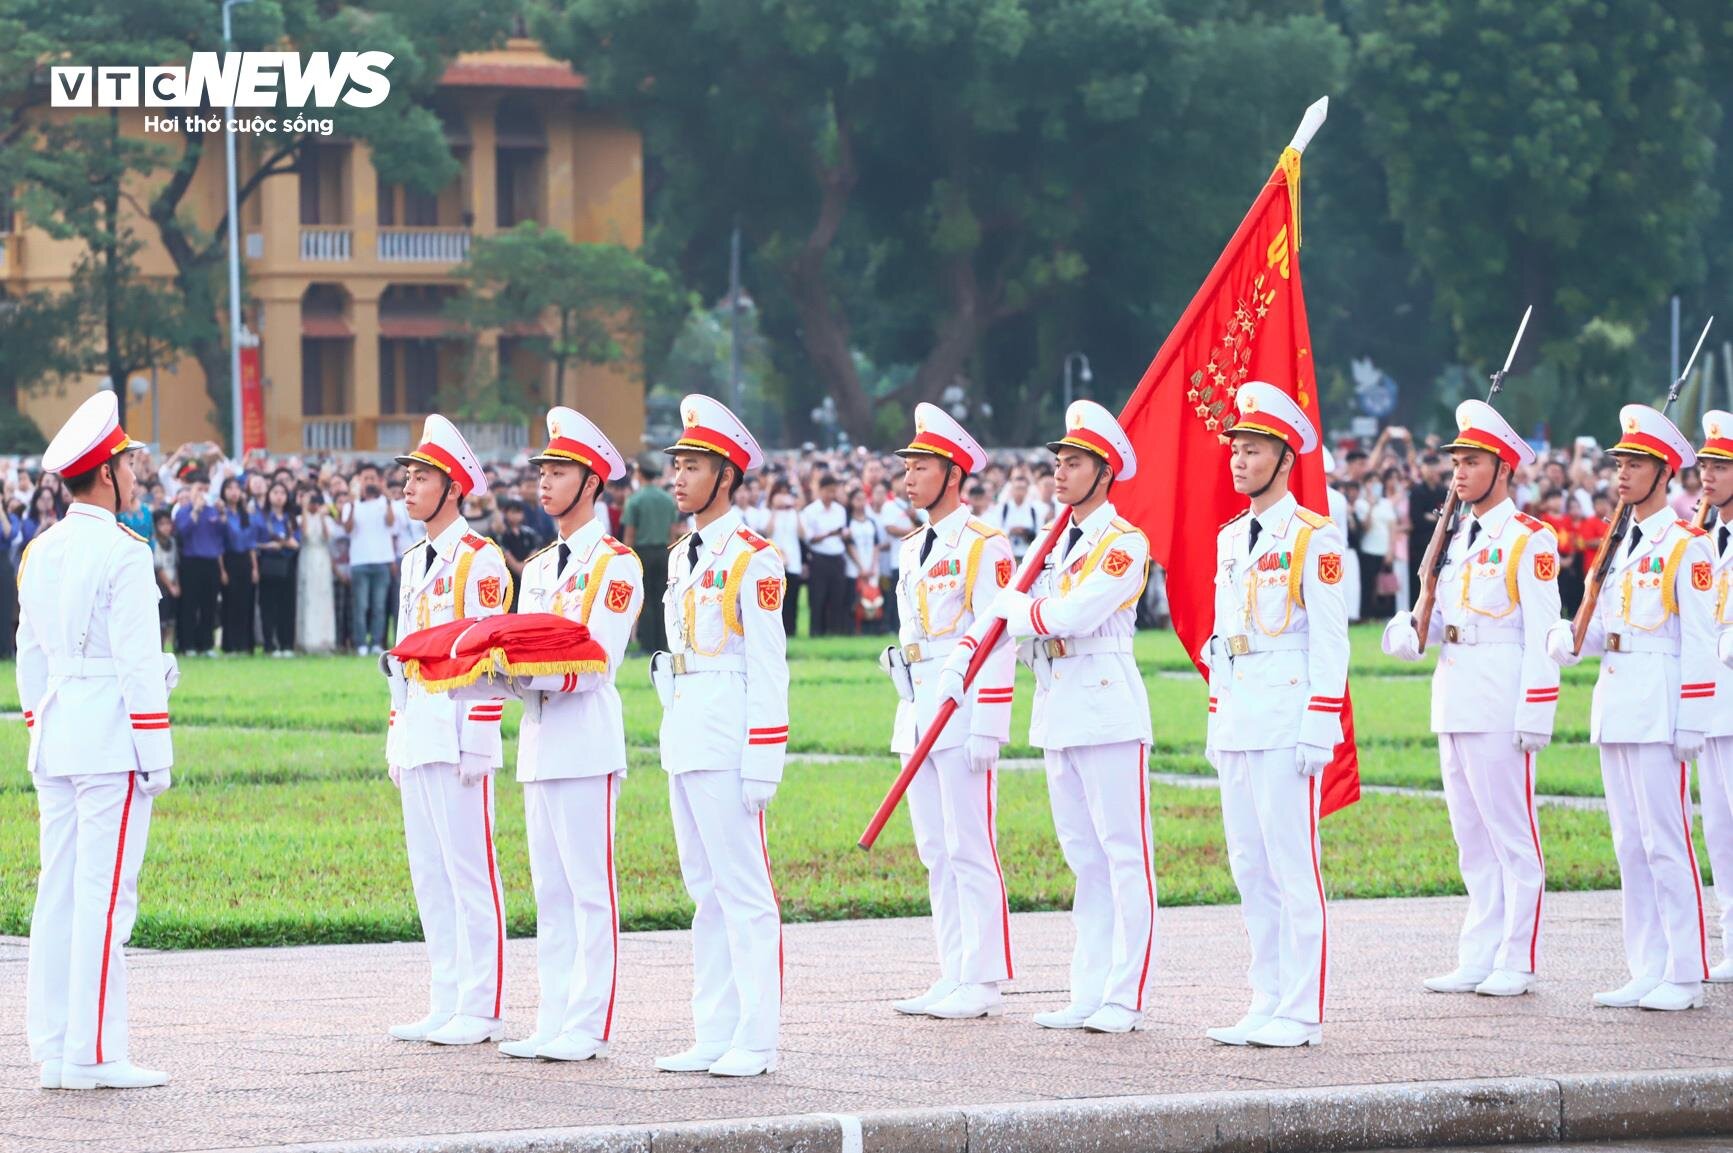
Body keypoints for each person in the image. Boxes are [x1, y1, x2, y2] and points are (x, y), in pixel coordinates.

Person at [951, 400, 1155, 1034]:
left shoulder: (1124, 542)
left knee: (1126, 855)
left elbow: (1070, 615)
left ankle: (1126, 994)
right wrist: (983, 639)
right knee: (1083, 859)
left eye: (1074, 463)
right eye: (1058, 462)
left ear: (1105, 472)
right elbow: (1016, 613)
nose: (1059, 473)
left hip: (1106, 701)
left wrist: (1015, 612)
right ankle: (1087, 989)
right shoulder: (1052, 541)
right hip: (1060, 705)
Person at [20, 391, 176, 1090]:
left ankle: (56, 1047)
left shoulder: (41, 547)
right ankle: (92, 1053)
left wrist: (38, 721)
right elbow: (140, 664)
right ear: (106, 473)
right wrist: (158, 754)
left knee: (59, 893)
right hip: (111, 733)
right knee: (106, 896)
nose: (136, 471)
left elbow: (28, 655)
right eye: (127, 460)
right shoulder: (123, 549)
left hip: (56, 729)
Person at [1383, 401, 1559, 999]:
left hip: (1500, 694)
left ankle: (1518, 957)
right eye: (1456, 459)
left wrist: (1537, 708)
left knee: (1513, 835)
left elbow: (1543, 630)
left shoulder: (1529, 539)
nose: (1458, 471)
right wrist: (1410, 629)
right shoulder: (1457, 538)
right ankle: (1478, 953)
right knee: (1471, 837)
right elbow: (1438, 622)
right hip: (1455, 694)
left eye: (1472, 460)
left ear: (1503, 468)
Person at [1546, 404, 1717, 1011]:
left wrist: (1693, 718)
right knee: (1629, 842)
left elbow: (1698, 639)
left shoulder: (1686, 546)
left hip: (1660, 703)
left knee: (1666, 840)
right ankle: (1646, 963)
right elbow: (1605, 628)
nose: (1621, 473)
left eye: (1635, 463)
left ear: (1665, 472)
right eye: (1619, 462)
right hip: (1616, 701)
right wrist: (1568, 638)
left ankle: (1686, 971)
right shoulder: (1618, 543)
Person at [489, 408, 643, 1062]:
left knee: (588, 889)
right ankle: (552, 1015)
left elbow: (596, 662)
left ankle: (588, 1022)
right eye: (543, 471)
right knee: (549, 893)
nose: (544, 483)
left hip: (583, 738)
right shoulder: (541, 565)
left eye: (559, 472)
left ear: (591, 483)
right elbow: (525, 649)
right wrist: (497, 675)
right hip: (540, 740)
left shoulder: (615, 564)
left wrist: (528, 677)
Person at [1198, 384, 1348, 1048]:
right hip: (1239, 711)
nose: (1238, 459)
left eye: (1252, 449)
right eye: (1235, 448)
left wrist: (1321, 718)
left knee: (1292, 862)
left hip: (1288, 708)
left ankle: (1302, 1007)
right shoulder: (1231, 537)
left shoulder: (1313, 536)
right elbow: (1220, 638)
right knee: (1247, 861)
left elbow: (1329, 637)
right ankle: (1265, 992)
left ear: (1284, 458)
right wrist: (1214, 716)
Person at [649, 394, 788, 1078]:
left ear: (727, 476)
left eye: (693, 464)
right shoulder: (683, 556)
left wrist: (765, 752)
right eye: (675, 463)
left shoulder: (754, 557)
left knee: (743, 889)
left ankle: (756, 1036)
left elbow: (768, 663)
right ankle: (714, 1028)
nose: (677, 476)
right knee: (704, 888)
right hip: (687, 724)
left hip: (730, 726)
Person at [879, 404, 1015, 1020]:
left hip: (960, 707)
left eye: (922, 466)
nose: (909, 477)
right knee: (935, 846)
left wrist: (989, 719)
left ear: (954, 474)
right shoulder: (913, 548)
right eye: (907, 466)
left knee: (969, 844)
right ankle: (953, 968)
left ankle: (983, 979)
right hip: (917, 704)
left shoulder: (985, 544)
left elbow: (999, 634)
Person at [380, 417, 513, 1046]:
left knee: (469, 869)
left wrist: (481, 735)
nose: (408, 488)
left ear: (453, 488)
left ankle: (481, 1005)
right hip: (419, 725)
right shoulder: (413, 562)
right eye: (407, 477)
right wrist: (395, 728)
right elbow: (404, 653)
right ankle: (446, 995)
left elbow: (491, 657)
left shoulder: (479, 559)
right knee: (429, 870)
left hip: (460, 727)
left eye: (422, 478)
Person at [1691, 411, 1733, 983]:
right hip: (1708, 701)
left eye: (1720, 466)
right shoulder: (1701, 540)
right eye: (1703, 465)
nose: (1707, 475)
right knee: (1719, 828)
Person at [623, 456, 679, 651]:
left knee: (644, 600)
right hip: (664, 552)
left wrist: (625, 561)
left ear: (639, 473)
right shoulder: (667, 499)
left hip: (642, 554)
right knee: (663, 599)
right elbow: (673, 532)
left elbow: (630, 534)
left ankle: (647, 645)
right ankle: (663, 643)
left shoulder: (635, 500)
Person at [344, 462, 397, 656]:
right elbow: (348, 529)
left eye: (373, 478)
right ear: (359, 481)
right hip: (359, 562)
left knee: (379, 606)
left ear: (379, 481)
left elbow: (391, 523)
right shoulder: (352, 504)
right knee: (361, 606)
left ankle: (376, 642)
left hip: (382, 561)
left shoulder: (385, 503)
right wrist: (350, 504)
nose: (369, 482)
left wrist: (387, 497)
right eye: (365, 478)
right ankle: (360, 643)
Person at [172, 473, 224, 656]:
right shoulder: (183, 511)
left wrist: (222, 513)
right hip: (191, 561)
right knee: (189, 604)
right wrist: (195, 511)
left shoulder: (213, 511)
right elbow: (182, 533)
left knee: (209, 605)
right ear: (191, 491)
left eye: (205, 490)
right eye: (199, 489)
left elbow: (221, 536)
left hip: (210, 562)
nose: (202, 493)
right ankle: (188, 644)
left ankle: (207, 645)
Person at [801, 474, 850, 636]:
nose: (831, 495)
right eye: (828, 491)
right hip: (819, 558)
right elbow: (809, 538)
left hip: (837, 557)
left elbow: (842, 534)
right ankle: (816, 631)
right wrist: (829, 533)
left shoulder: (840, 510)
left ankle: (835, 632)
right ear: (821, 490)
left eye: (834, 491)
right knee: (817, 597)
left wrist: (842, 534)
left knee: (837, 597)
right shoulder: (810, 511)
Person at [256, 482, 300, 656]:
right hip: (268, 564)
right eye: (275, 492)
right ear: (269, 495)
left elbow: (297, 542)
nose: (279, 496)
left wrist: (287, 543)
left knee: (287, 607)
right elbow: (254, 542)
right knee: (268, 607)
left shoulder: (291, 518)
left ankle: (286, 645)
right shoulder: (262, 518)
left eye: (282, 492)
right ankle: (269, 645)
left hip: (287, 564)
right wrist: (269, 545)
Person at [216, 478, 257, 654]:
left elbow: (251, 544)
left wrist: (255, 567)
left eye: (236, 488)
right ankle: (230, 644)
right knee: (230, 603)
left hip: (245, 561)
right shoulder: (221, 514)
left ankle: (246, 644)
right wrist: (222, 569)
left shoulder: (245, 515)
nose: (234, 492)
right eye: (229, 488)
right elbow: (218, 544)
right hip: (228, 559)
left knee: (246, 602)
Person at [297, 491, 338, 654]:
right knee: (306, 596)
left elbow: (328, 536)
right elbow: (305, 534)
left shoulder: (327, 520)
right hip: (307, 556)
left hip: (322, 557)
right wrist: (304, 510)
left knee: (323, 596)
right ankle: (306, 640)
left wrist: (322, 516)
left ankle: (324, 640)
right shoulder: (302, 519)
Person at [766, 479, 805, 637]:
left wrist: (795, 509)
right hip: (774, 561)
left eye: (786, 493)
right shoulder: (767, 512)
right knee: (775, 599)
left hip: (793, 561)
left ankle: (791, 630)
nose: (783, 497)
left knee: (792, 598)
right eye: (779, 493)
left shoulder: (795, 514)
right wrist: (775, 509)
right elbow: (767, 532)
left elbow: (803, 534)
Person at [844, 486, 882, 633]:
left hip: (871, 567)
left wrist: (872, 566)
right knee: (856, 599)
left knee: (873, 599)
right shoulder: (848, 522)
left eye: (863, 499)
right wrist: (861, 567)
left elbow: (876, 544)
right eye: (857, 499)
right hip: (854, 568)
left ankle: (872, 629)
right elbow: (849, 546)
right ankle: (855, 629)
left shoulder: (871, 522)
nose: (861, 502)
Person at [989, 468, 1046, 562]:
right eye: (1017, 488)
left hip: (1028, 555)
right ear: (1012, 490)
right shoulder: (1002, 509)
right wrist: (1011, 531)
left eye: (1023, 488)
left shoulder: (1034, 509)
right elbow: (995, 530)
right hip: (1006, 554)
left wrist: (1026, 532)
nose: (1020, 492)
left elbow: (1039, 532)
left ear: (1027, 490)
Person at [151, 509, 179, 651]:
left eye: (168, 523)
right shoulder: (154, 543)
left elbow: (175, 563)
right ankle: (159, 649)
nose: (166, 527)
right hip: (161, 586)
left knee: (170, 620)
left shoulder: (172, 542)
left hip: (173, 583)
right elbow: (159, 566)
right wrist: (170, 586)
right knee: (160, 620)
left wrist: (177, 584)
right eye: (162, 524)